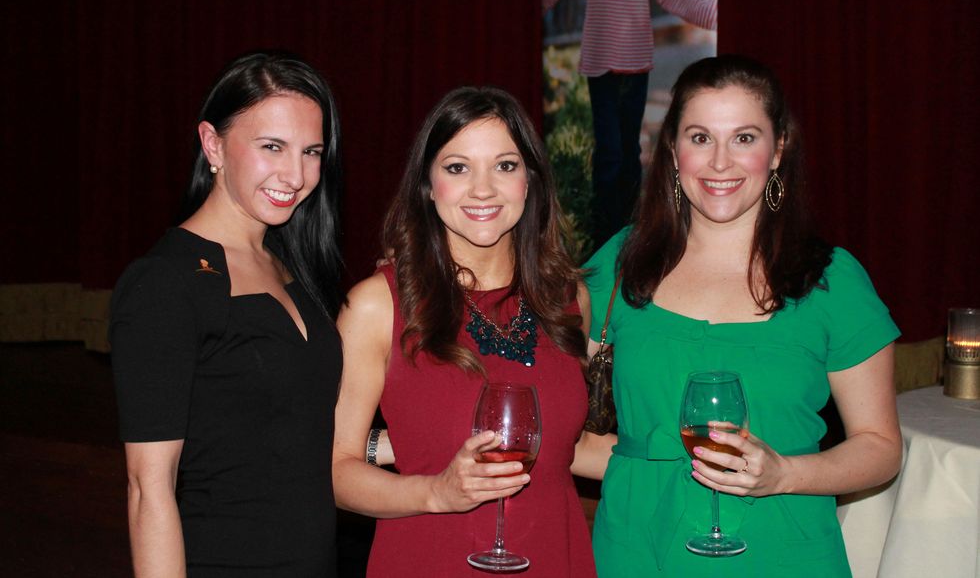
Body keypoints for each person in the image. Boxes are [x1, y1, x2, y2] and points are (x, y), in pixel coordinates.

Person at [584, 55, 902, 576]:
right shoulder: (619, 266)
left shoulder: (832, 279)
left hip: (784, 550)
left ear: (778, 150)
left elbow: (881, 448)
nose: (720, 163)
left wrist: (784, 473)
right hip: (636, 549)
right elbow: (537, 397)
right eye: (701, 137)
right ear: (672, 149)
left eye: (745, 138)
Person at [332, 86, 614, 577]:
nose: (482, 190)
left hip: (555, 557)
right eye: (457, 167)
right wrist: (436, 492)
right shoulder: (376, 306)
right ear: (428, 183)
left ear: (530, 180)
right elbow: (334, 469)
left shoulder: (568, 299)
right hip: (429, 559)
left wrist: (681, 456)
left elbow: (569, 449)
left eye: (504, 166)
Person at [110, 51, 344, 577]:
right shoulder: (164, 284)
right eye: (271, 147)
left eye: (311, 152)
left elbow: (295, 426)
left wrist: (416, 440)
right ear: (213, 144)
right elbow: (149, 490)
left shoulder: (290, 266)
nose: (296, 174)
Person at [543, 0, 718, 248]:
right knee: (609, 154)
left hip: (636, 61)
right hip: (602, 63)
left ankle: (629, 237)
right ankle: (605, 242)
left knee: (631, 153)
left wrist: (716, 13)